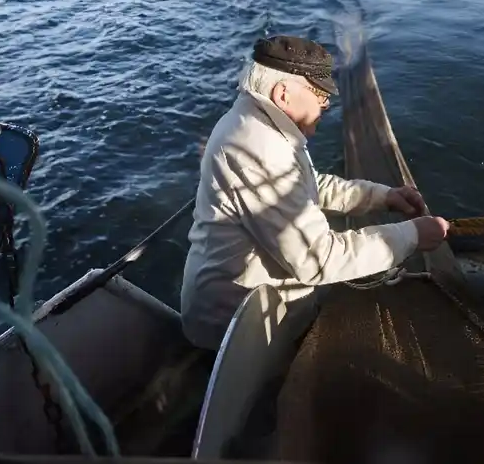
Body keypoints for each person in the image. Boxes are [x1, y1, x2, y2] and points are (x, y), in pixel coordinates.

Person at [181, 35, 450, 350]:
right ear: (283, 94)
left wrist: (381, 196)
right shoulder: (257, 147)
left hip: (265, 300)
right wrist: (412, 236)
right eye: (319, 93)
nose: (326, 103)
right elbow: (317, 260)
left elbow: (308, 185)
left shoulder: (264, 124)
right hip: (234, 328)